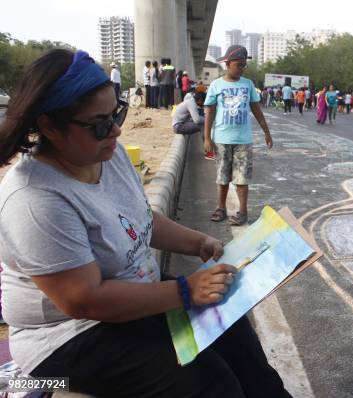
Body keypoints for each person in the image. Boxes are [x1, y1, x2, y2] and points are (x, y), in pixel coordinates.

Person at [0, 49, 290, 397]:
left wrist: (197, 242)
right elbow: (85, 301)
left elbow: (138, 219)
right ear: (49, 126)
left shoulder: (108, 153)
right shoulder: (34, 199)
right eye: (100, 124)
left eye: (117, 112)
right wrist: (185, 290)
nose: (117, 130)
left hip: (130, 291)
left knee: (233, 330)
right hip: (72, 334)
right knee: (210, 382)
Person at [204, 45, 273, 226]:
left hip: (243, 140)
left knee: (242, 178)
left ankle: (242, 212)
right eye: (238, 65)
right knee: (222, 176)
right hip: (221, 139)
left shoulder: (248, 84)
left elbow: (256, 110)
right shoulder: (216, 85)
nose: (242, 68)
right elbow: (209, 112)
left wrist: (266, 131)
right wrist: (206, 138)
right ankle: (221, 208)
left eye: (244, 65)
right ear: (228, 64)